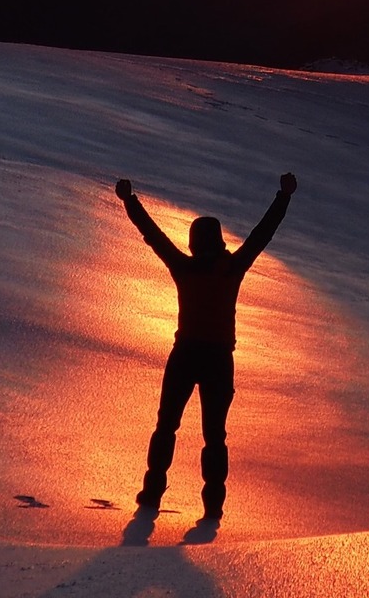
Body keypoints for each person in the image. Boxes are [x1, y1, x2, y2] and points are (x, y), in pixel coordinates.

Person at [114, 172, 297, 523]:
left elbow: (153, 235)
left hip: (185, 356)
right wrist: (283, 196)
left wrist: (129, 201)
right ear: (218, 241)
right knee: (214, 436)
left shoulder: (185, 267)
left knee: (167, 425)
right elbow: (262, 235)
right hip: (217, 360)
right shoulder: (231, 268)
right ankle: (213, 507)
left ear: (195, 242)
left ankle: (152, 494)